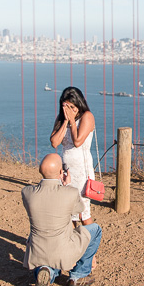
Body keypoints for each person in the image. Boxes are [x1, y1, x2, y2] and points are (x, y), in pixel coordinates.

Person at [21, 153, 102, 286]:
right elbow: (79, 210)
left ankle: (46, 270)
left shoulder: (27, 192)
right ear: (61, 172)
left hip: (37, 251)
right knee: (95, 229)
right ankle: (78, 275)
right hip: (62, 249)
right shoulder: (70, 193)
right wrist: (67, 185)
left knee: (47, 248)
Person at [49, 86, 97, 225]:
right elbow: (54, 142)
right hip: (66, 170)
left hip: (82, 170)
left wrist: (71, 122)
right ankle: (72, 243)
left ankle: (90, 241)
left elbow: (77, 141)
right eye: (65, 106)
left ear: (78, 104)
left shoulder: (87, 116)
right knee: (68, 211)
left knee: (83, 211)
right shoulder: (61, 118)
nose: (69, 110)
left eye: (72, 106)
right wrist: (65, 121)